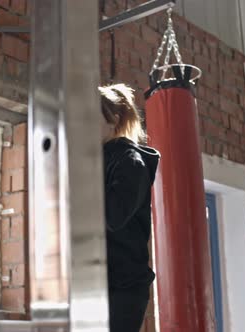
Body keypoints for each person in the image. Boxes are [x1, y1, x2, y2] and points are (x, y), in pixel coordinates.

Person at [99, 83, 160, 332]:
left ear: (113, 119)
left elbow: (112, 216)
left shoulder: (130, 162)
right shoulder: (94, 159)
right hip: (97, 281)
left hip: (123, 288)